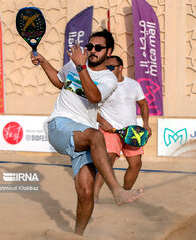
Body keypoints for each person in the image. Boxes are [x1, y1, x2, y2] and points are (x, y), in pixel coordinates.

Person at [30, 29, 143, 236]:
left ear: (108, 52)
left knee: (86, 192)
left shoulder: (108, 79)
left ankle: (77, 235)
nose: (92, 51)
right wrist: (44, 62)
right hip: (60, 125)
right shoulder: (75, 64)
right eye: (89, 46)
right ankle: (117, 191)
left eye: (98, 48)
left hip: (84, 135)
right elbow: (59, 81)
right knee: (97, 135)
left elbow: (93, 97)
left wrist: (81, 66)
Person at [93, 55, 152, 203]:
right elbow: (89, 108)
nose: (108, 70)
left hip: (131, 132)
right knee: (108, 162)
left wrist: (146, 124)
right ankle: (93, 198)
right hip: (109, 132)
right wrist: (103, 122)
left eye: (111, 67)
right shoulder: (101, 85)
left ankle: (124, 194)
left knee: (136, 164)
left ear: (120, 68)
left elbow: (143, 104)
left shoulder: (133, 84)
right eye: (106, 67)